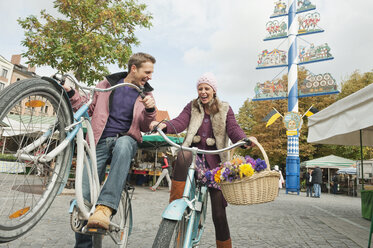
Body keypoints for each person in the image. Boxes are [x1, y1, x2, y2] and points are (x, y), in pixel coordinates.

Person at [149, 72, 256, 248]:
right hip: (194, 159)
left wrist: (244, 140)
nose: (203, 92)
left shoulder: (225, 108)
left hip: (216, 164)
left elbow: (234, 128)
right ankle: (176, 201)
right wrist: (164, 125)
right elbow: (180, 122)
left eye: (207, 88)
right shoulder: (192, 107)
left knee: (219, 213)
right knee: (183, 154)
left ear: (214, 90)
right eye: (200, 88)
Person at [63, 52, 157, 248]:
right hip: (99, 141)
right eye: (147, 72)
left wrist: (150, 110)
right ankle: (83, 245)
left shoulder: (146, 94)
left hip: (126, 139)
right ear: (134, 68)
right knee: (85, 198)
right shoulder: (107, 84)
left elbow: (146, 126)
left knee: (124, 144)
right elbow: (87, 109)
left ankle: (105, 206)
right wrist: (71, 93)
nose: (150, 76)